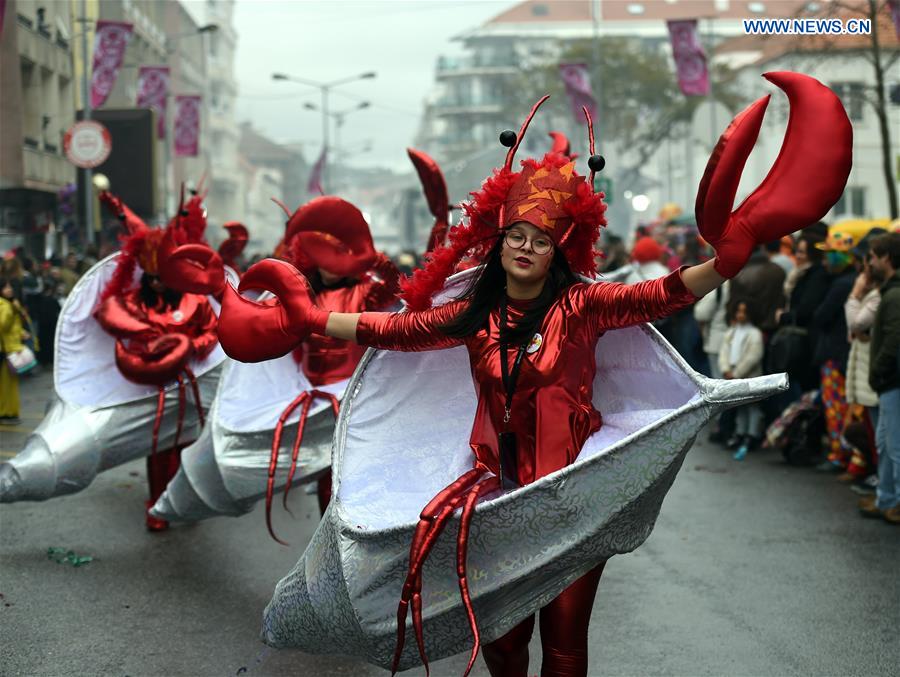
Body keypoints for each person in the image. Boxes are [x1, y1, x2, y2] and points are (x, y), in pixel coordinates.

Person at [219, 78, 852, 675]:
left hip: (574, 495)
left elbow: (662, 294)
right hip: (496, 501)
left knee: (566, 640)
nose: (524, 247)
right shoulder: (474, 317)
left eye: (539, 240)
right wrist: (309, 319)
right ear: (499, 244)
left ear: (558, 250)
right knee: (501, 635)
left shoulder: (584, 307)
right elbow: (396, 330)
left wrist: (724, 263)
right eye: (515, 236)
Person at [94, 191, 221, 531]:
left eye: (162, 277)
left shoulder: (196, 300)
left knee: (187, 450)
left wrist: (192, 344)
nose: (156, 284)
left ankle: (183, 503)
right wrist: (151, 349)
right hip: (153, 389)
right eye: (151, 278)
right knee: (158, 449)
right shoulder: (135, 301)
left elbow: (212, 332)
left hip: (191, 389)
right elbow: (121, 328)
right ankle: (156, 506)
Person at [859, 232, 900, 525]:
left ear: (886, 257)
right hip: (888, 382)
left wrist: (878, 370)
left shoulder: (895, 294)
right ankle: (887, 499)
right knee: (886, 444)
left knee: (895, 446)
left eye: (873, 256)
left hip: (893, 381)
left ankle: (894, 502)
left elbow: (894, 339)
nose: (869, 262)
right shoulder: (890, 291)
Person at [811, 227, 858, 472]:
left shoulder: (840, 284)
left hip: (834, 354)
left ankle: (839, 454)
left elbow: (821, 316)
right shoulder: (854, 280)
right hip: (845, 353)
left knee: (836, 407)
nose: (824, 260)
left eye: (828, 255)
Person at [719, 300, 764, 460]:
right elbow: (724, 351)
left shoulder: (754, 334)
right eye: (738, 311)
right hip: (732, 373)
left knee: (752, 407)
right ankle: (740, 433)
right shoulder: (731, 332)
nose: (740, 315)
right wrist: (725, 368)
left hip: (748, 376)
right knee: (740, 406)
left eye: (744, 312)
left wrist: (737, 372)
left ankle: (751, 435)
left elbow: (753, 356)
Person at [0, 278, 32, 425]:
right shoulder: (4, 305)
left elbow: (14, 327)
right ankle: (5, 412)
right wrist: (12, 311)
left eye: (9, 286)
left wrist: (22, 332)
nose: (9, 289)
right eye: (6, 287)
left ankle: (10, 411)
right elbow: (3, 326)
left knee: (11, 383)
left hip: (12, 347)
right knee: (6, 383)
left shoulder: (10, 304)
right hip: (5, 349)